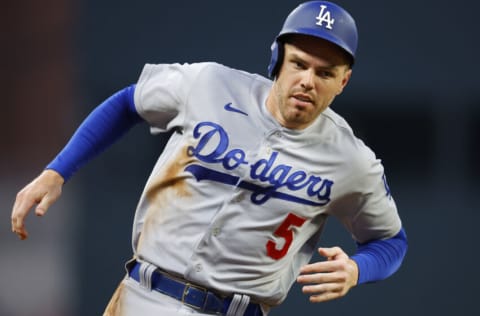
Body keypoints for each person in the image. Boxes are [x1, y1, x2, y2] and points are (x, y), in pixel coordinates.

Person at [11, 1, 407, 315]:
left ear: (344, 80)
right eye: (299, 64)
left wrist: (358, 269)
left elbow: (390, 242)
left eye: (324, 72)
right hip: (142, 298)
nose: (307, 80)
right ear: (277, 60)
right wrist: (58, 170)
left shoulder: (351, 159)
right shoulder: (209, 84)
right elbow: (128, 103)